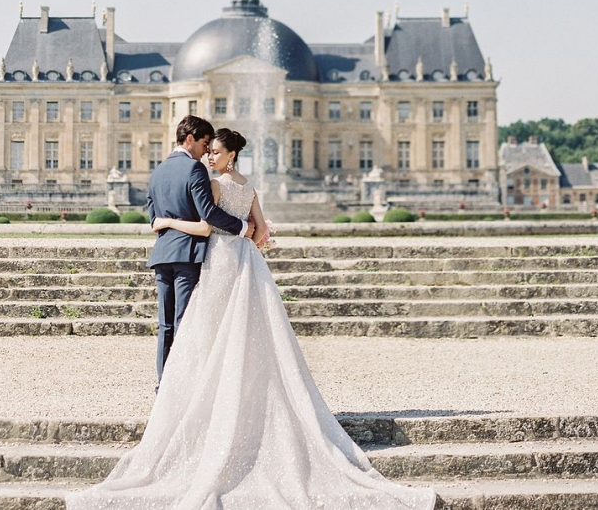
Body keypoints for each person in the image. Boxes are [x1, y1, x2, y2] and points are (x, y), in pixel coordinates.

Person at [66, 127, 437, 510]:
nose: (210, 156)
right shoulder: (250, 187)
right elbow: (262, 231)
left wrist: (168, 222)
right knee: (251, 332)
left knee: (207, 330)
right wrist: (249, 237)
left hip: (219, 262)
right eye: (208, 150)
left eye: (216, 152)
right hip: (247, 262)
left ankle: (199, 396)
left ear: (230, 155)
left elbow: (206, 222)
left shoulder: (213, 184)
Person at [144, 115, 253, 384]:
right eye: (205, 144)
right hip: (187, 254)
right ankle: (181, 384)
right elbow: (208, 214)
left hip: (162, 255)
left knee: (166, 324)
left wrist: (168, 221)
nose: (206, 152)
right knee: (185, 320)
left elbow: (153, 218)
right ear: (189, 138)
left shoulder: (157, 171)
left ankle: (163, 382)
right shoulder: (194, 169)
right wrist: (242, 227)